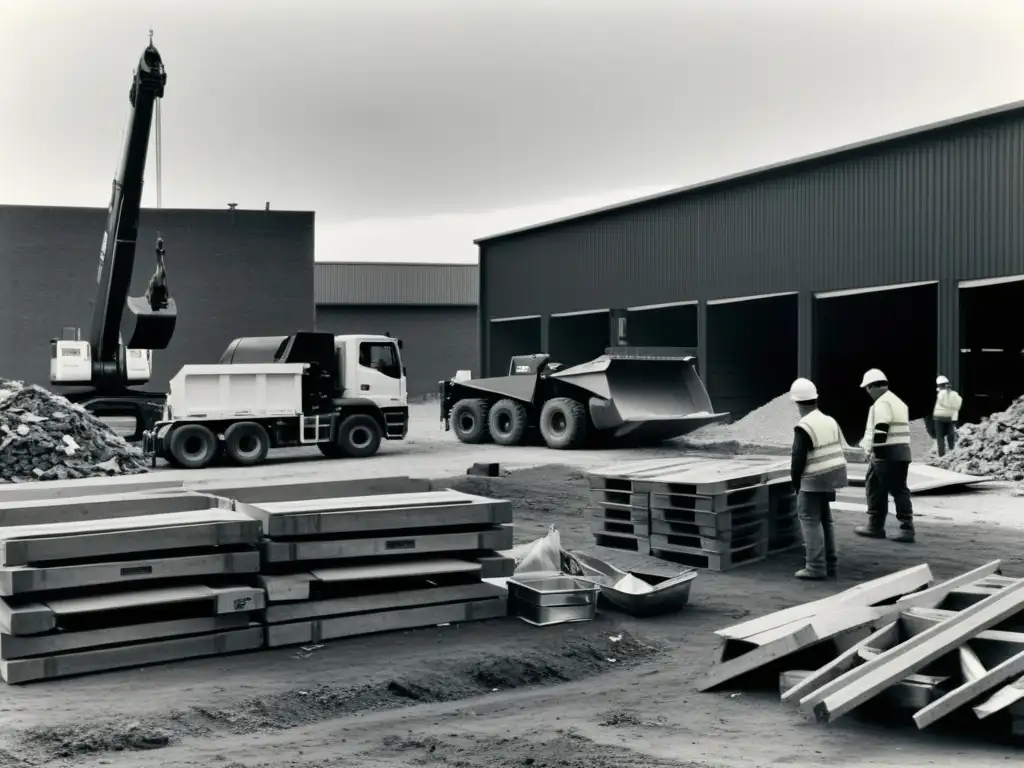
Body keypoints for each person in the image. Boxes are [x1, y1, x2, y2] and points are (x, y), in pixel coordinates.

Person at [788, 377, 848, 581]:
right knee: (825, 519)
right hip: (833, 474)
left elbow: (798, 458)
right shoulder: (829, 420)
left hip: (814, 477)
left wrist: (796, 484)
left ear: (797, 402)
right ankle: (830, 561)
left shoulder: (804, 426)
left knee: (809, 519)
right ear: (815, 399)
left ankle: (815, 566)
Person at [855, 369, 915, 543]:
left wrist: (872, 450)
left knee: (896, 490)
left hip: (887, 453)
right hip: (900, 451)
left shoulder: (882, 403)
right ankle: (875, 526)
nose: (867, 392)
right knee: (876, 486)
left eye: (867, 388)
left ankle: (906, 528)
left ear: (873, 386)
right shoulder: (898, 402)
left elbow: (881, 427)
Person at [932, 375, 963, 457]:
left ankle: (941, 455)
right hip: (949, 417)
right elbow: (957, 405)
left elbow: (941, 399)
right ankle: (952, 453)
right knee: (950, 436)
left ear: (938, 385)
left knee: (940, 437)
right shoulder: (954, 394)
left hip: (938, 417)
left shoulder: (941, 393)